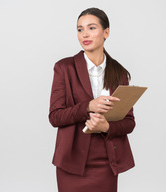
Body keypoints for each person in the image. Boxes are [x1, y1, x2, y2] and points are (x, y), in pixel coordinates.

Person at [49, 7, 136, 192]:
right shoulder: (64, 68)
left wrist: (107, 127)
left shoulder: (119, 72)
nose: (84, 34)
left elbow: (129, 122)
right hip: (72, 161)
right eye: (80, 29)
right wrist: (88, 106)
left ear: (106, 32)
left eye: (91, 28)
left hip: (106, 161)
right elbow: (55, 117)